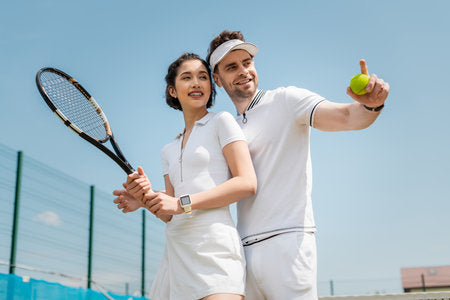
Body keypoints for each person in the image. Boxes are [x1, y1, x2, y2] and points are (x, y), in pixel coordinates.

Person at [201, 30, 390, 300]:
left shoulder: (287, 100)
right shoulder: (226, 127)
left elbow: (348, 117)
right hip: (241, 251)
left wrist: (372, 106)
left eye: (247, 62)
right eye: (232, 67)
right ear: (218, 79)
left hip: (289, 243)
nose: (243, 71)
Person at [113, 53, 257, 300]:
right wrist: (145, 200)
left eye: (203, 77)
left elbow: (246, 183)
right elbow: (170, 214)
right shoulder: (168, 150)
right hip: (177, 255)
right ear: (172, 90)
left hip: (216, 248)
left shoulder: (222, 122)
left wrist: (181, 203)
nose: (196, 83)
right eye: (187, 77)